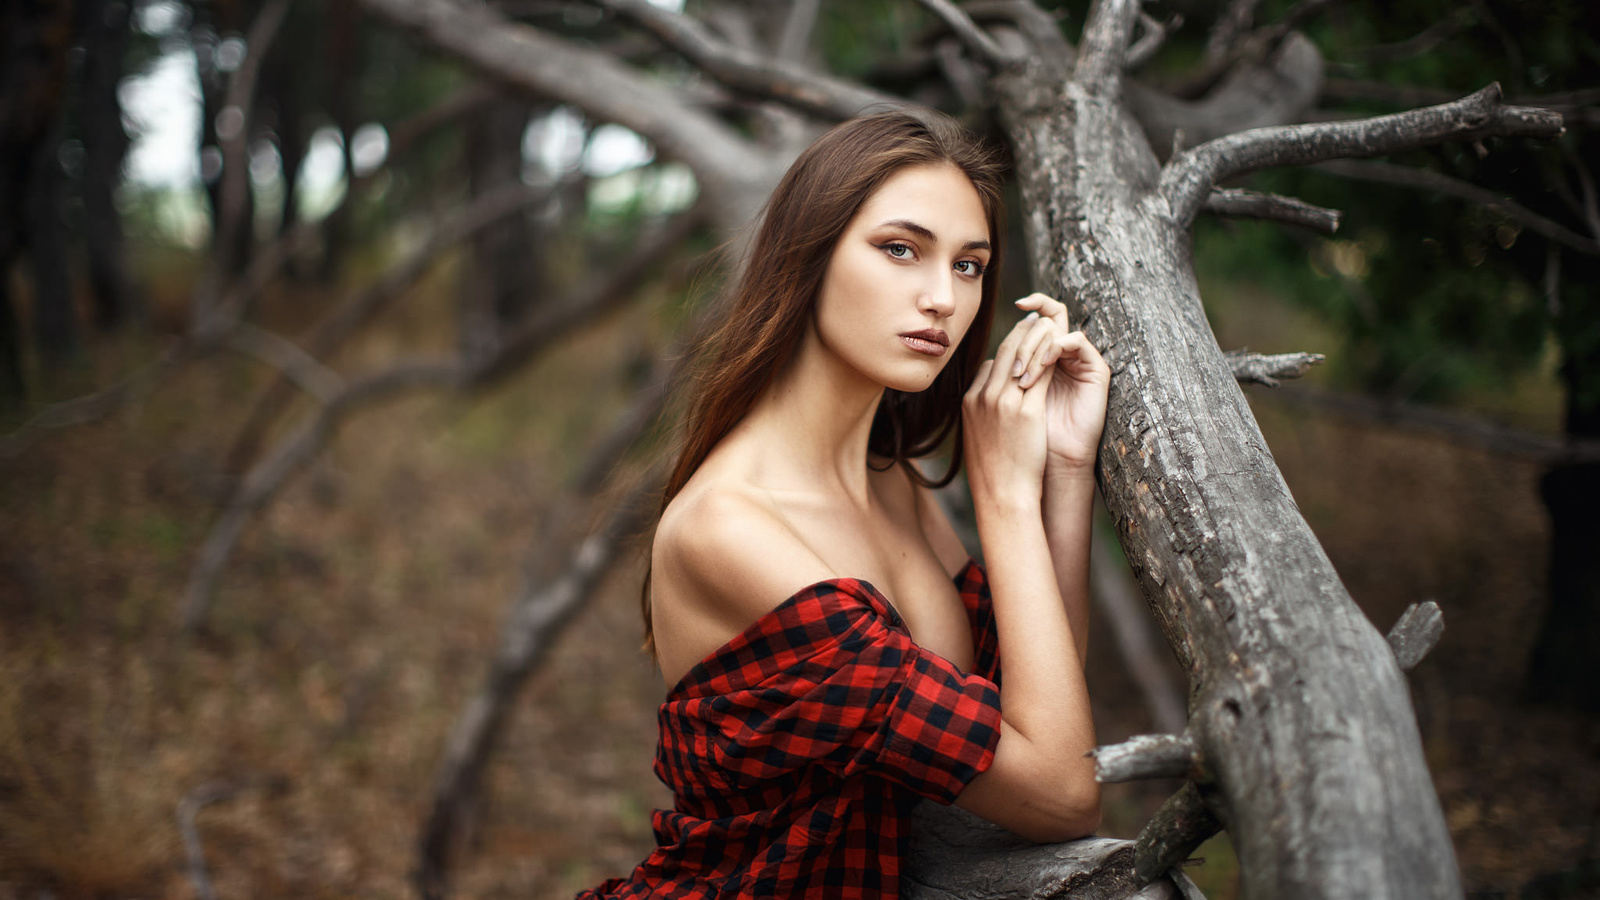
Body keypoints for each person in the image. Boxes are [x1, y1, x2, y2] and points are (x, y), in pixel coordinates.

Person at [577, 108, 1109, 899]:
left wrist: (1063, 472)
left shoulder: (891, 481)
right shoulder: (730, 526)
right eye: (901, 250)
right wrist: (1000, 496)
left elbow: (1037, 714)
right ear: (809, 257)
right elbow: (1062, 793)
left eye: (969, 266)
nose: (942, 298)